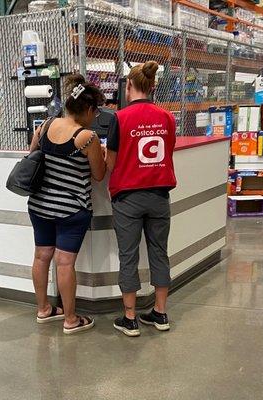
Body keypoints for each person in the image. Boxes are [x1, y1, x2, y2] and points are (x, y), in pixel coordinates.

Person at [28, 74, 106, 335]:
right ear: (86, 109)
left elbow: (32, 157)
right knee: (64, 263)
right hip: (71, 210)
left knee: (41, 256)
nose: (96, 117)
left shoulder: (46, 125)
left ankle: (44, 310)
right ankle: (70, 319)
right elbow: (98, 174)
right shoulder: (87, 137)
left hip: (40, 206)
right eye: (95, 112)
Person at [106, 61, 177, 337]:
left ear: (130, 86)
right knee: (160, 253)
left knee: (128, 255)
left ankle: (130, 317)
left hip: (128, 198)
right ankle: (160, 313)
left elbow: (111, 163)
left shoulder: (119, 119)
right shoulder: (167, 117)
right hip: (159, 195)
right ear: (152, 87)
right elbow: (168, 151)